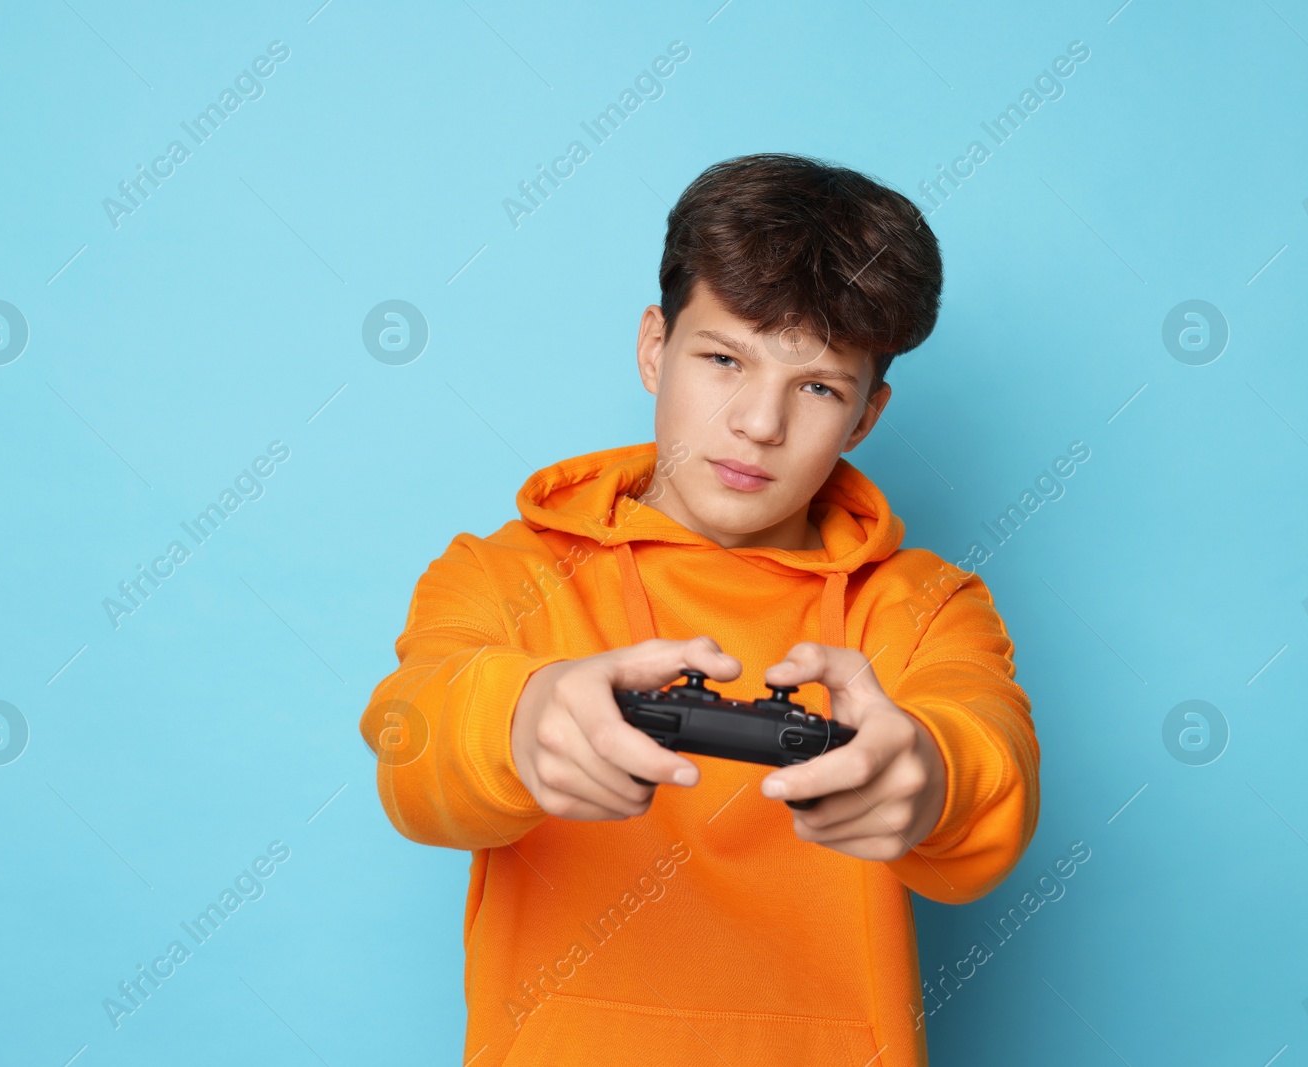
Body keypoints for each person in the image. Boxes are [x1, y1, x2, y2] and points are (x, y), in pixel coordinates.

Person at [359, 152, 1040, 1066]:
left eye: (818, 387)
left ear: (865, 418)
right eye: (724, 359)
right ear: (654, 348)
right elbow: (413, 743)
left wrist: (928, 771)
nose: (760, 423)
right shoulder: (500, 573)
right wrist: (520, 721)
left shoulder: (924, 606)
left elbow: (988, 749)